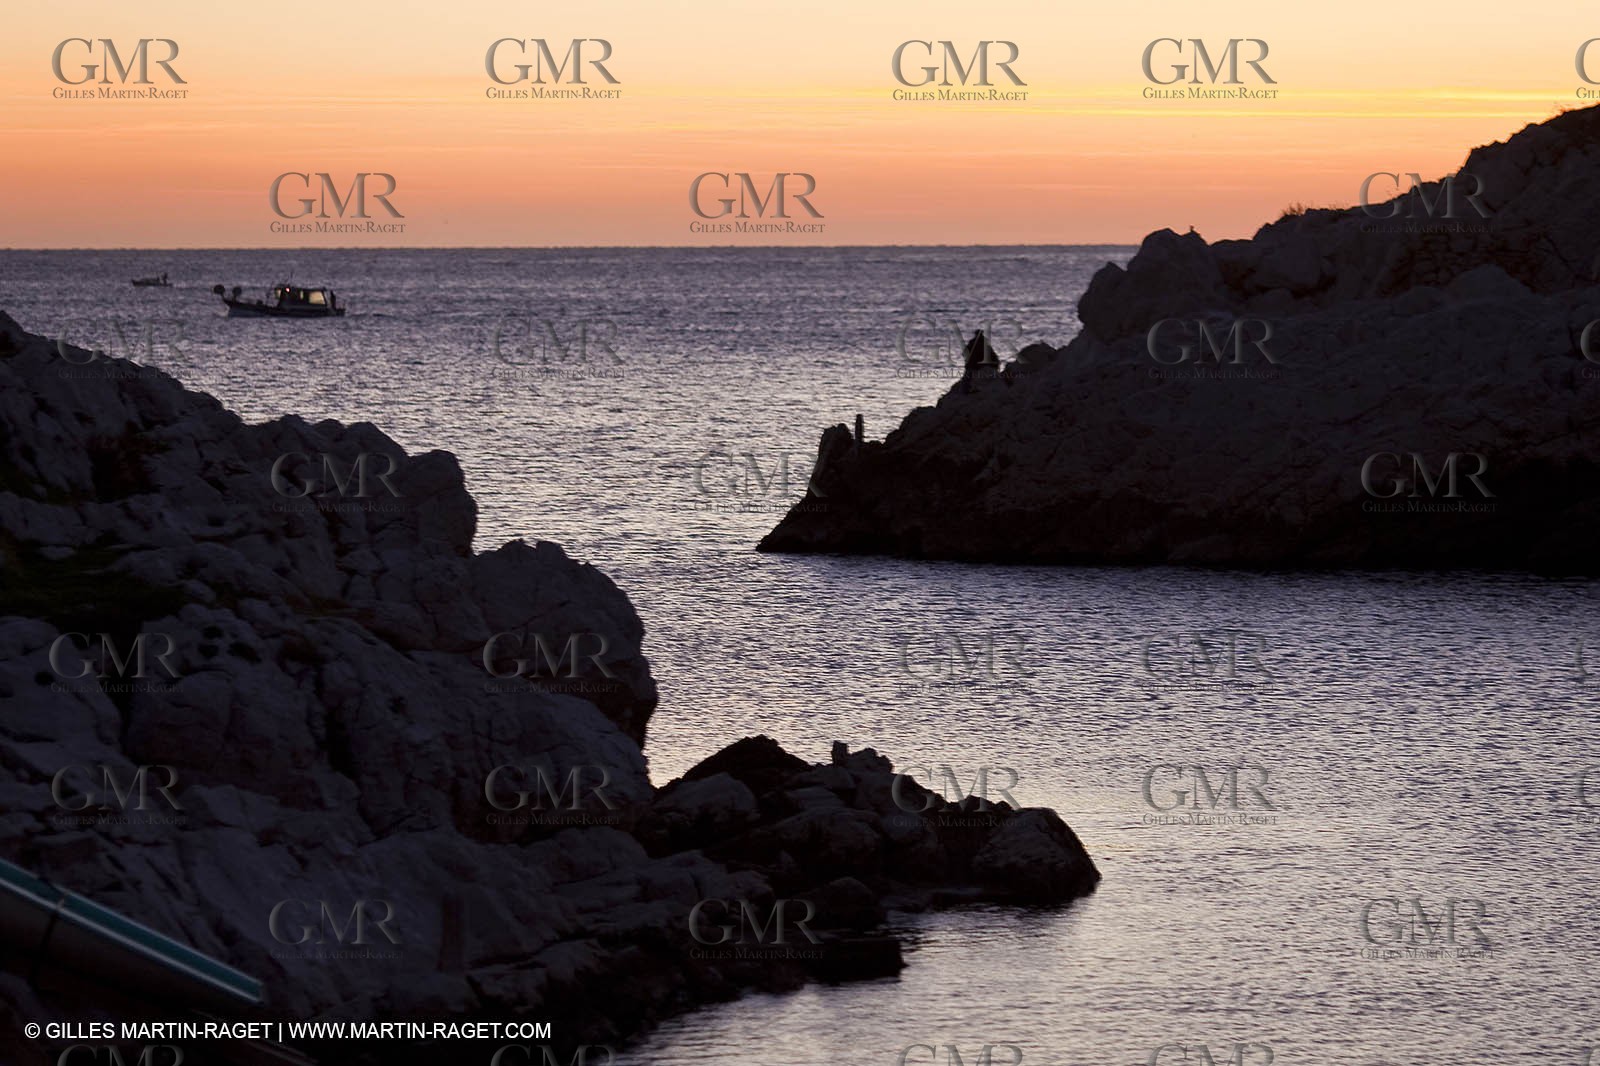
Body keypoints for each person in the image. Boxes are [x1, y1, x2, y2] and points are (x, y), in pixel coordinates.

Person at [959, 329, 998, 394]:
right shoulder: (985, 343)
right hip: (981, 365)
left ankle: (966, 391)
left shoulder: (972, 343)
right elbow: (992, 356)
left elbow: (964, 353)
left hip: (974, 365)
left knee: (967, 379)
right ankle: (968, 390)